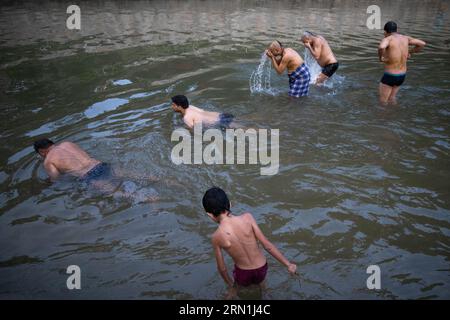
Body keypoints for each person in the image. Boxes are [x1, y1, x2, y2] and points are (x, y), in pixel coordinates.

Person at [202, 187, 297, 298]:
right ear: (230, 204)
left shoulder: (216, 237)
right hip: (262, 267)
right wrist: (288, 264)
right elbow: (267, 245)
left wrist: (231, 286)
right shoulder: (248, 218)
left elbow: (222, 268)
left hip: (243, 273)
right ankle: (265, 292)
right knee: (261, 285)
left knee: (241, 292)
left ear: (209, 214)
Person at [33, 138, 159, 201]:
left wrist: (47, 183)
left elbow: (56, 179)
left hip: (89, 175)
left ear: (42, 151)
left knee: (113, 192)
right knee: (138, 175)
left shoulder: (48, 160)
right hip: (101, 165)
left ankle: (148, 199)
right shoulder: (67, 143)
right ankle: (168, 180)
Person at [378, 21, 426, 104]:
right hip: (401, 76)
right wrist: (410, 52)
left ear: (385, 32)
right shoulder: (405, 38)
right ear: (397, 30)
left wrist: (380, 58)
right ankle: (395, 114)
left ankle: (382, 117)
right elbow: (422, 43)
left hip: (390, 75)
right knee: (392, 98)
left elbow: (381, 47)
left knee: (383, 102)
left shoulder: (388, 39)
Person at [171, 95, 236, 129]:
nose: (172, 107)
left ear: (179, 107)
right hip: (222, 115)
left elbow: (193, 131)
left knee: (244, 129)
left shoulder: (186, 117)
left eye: (174, 105)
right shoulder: (190, 106)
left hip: (220, 122)